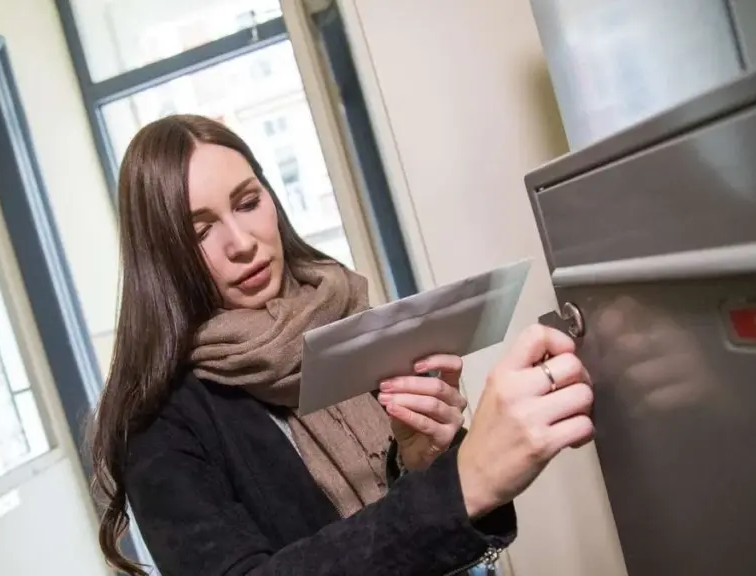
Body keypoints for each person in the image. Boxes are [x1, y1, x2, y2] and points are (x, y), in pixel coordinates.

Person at [90, 115, 595, 575]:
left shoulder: (344, 315)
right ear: (162, 255)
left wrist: (421, 464)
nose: (241, 242)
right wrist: (463, 482)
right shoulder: (156, 420)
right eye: (201, 231)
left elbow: (425, 529)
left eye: (248, 203)